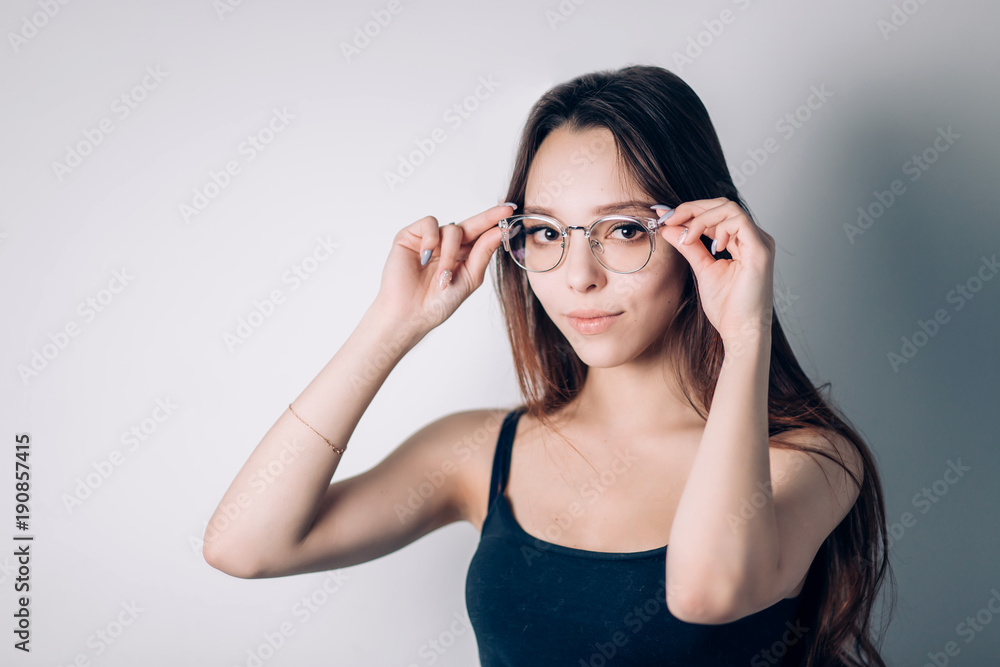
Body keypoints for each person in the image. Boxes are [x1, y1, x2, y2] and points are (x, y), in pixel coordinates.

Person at [204, 64, 895, 666]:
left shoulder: (809, 458)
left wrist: (745, 330)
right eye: (545, 233)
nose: (578, 276)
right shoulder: (483, 451)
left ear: (706, 234)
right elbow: (244, 544)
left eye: (624, 229)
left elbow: (708, 590)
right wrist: (391, 325)